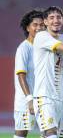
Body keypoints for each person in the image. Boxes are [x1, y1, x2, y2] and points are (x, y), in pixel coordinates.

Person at [32, 6, 63, 138]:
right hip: (44, 95)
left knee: (50, 134)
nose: (56, 20)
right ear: (45, 22)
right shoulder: (42, 36)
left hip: (60, 97)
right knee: (51, 133)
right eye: (52, 17)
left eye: (58, 17)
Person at [14, 9, 45, 138]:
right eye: (35, 25)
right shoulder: (24, 48)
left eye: (42, 25)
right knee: (21, 134)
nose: (39, 28)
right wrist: (29, 99)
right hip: (26, 101)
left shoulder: (44, 47)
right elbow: (21, 75)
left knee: (49, 132)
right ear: (28, 27)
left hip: (44, 99)